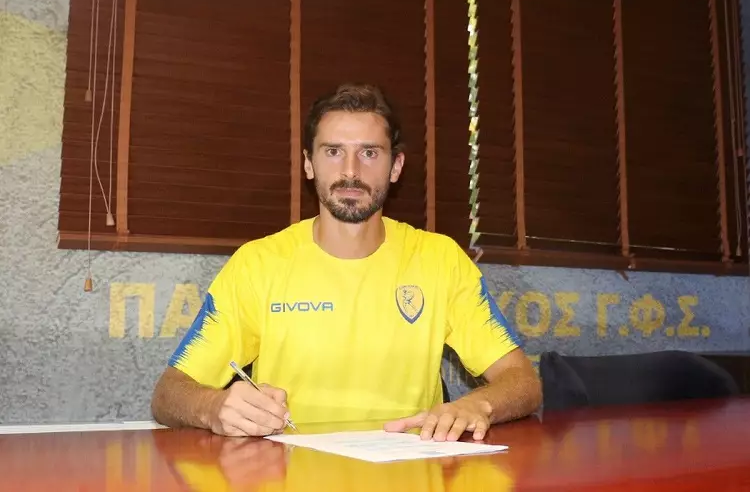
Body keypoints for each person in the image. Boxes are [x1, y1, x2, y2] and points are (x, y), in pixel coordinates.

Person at [151, 83, 542, 442]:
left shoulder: (441, 260)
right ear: (309, 164)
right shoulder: (257, 265)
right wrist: (214, 407)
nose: (351, 171)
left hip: (409, 475)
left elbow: (522, 380)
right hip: (291, 476)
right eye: (333, 152)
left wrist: (477, 404)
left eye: (369, 153)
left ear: (396, 167)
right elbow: (169, 393)